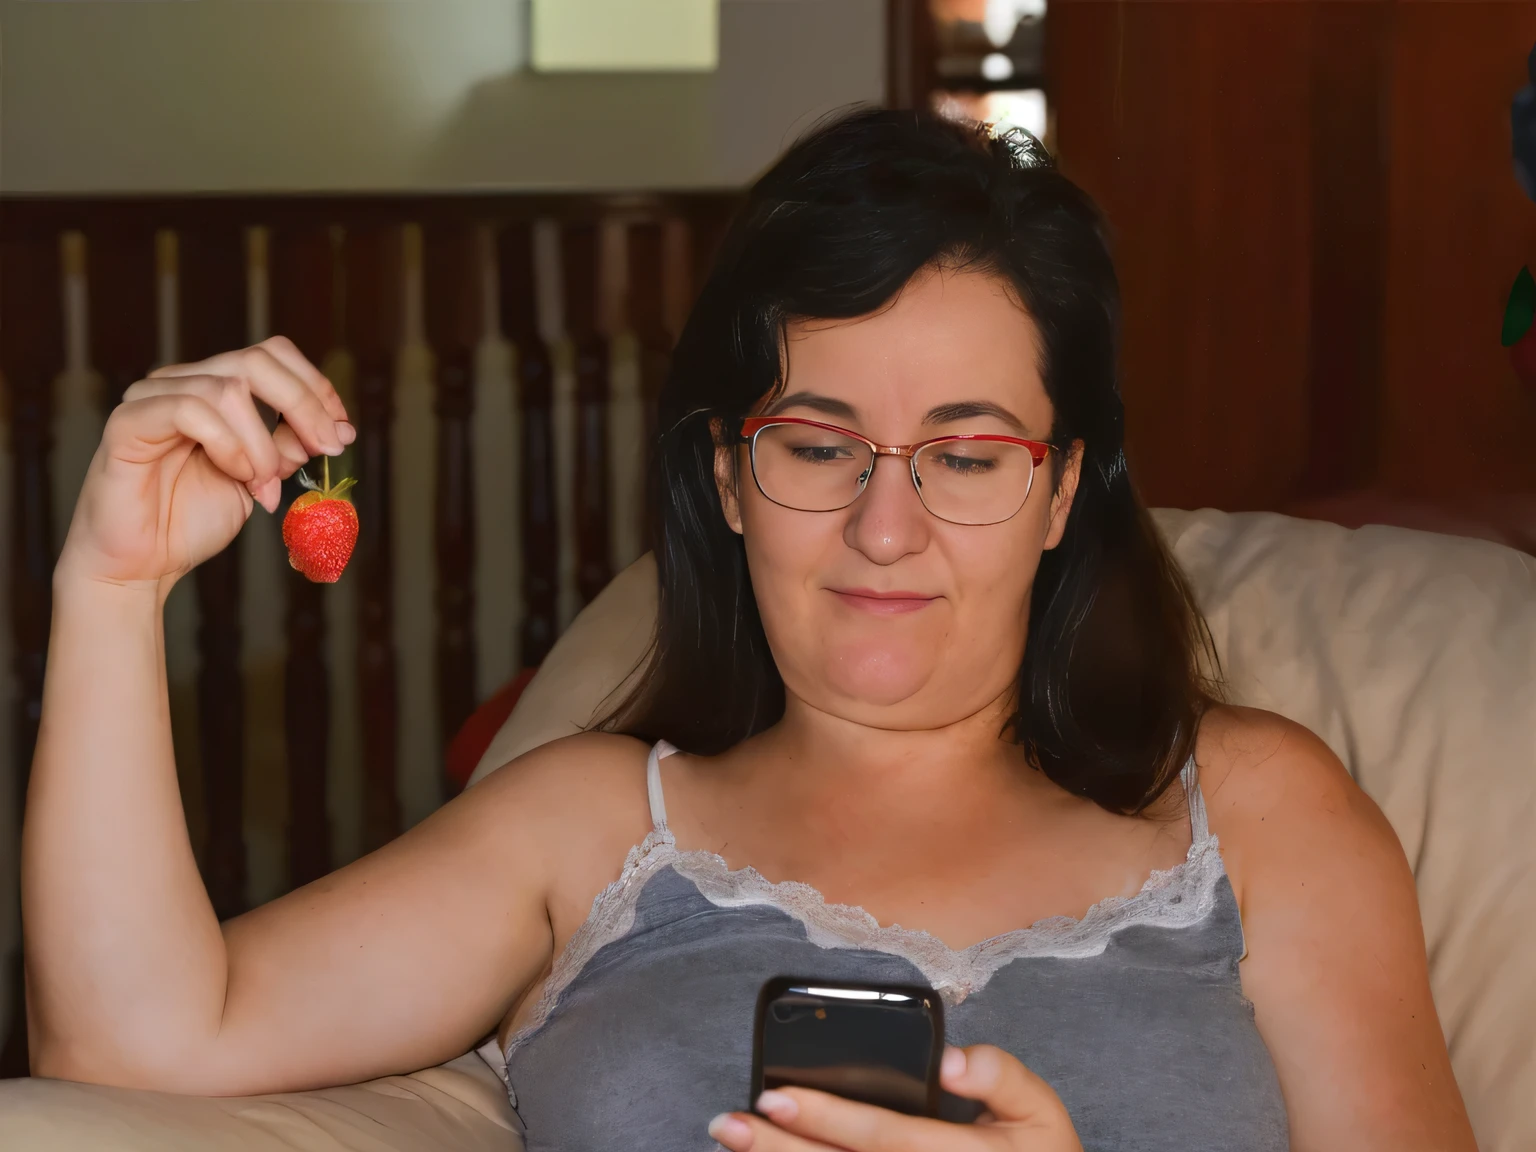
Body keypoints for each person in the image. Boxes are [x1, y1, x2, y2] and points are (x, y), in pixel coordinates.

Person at [22, 109, 1474, 1152]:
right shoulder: (590, 830)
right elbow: (126, 1045)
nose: (884, 528)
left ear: (1062, 493)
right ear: (727, 476)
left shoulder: (1262, 814)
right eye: (817, 444)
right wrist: (110, 588)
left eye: (966, 457)